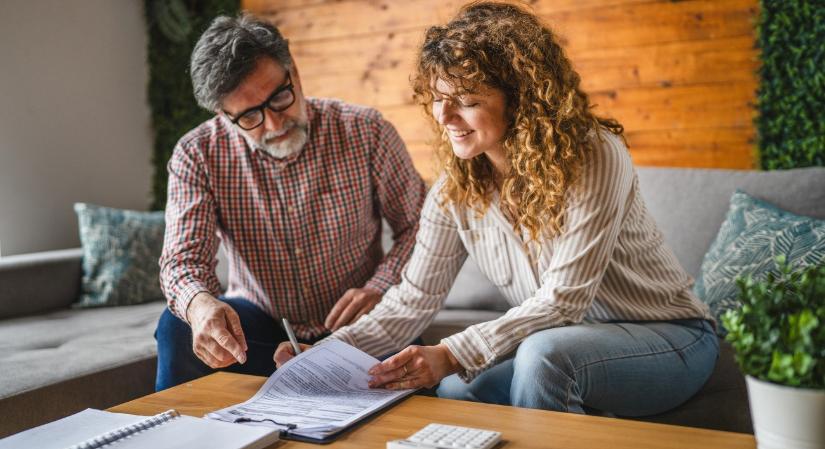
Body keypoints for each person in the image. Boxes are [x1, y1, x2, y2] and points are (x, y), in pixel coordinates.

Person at [275, 1, 718, 417]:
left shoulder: (594, 155)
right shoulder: (455, 189)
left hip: (671, 337)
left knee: (544, 358)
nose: (444, 116)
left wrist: (450, 353)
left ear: (520, 100)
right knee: (456, 389)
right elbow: (412, 301)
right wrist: (329, 351)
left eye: (466, 101)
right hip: (567, 341)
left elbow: (564, 301)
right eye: (438, 97)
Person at [154, 13, 426, 391]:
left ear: (293, 71)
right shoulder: (197, 154)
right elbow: (182, 261)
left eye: (280, 97)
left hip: (361, 325)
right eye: (249, 115)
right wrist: (200, 306)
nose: (273, 124)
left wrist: (380, 286)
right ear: (224, 115)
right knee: (177, 327)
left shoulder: (367, 131)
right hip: (261, 334)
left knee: (412, 368)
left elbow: (418, 226)